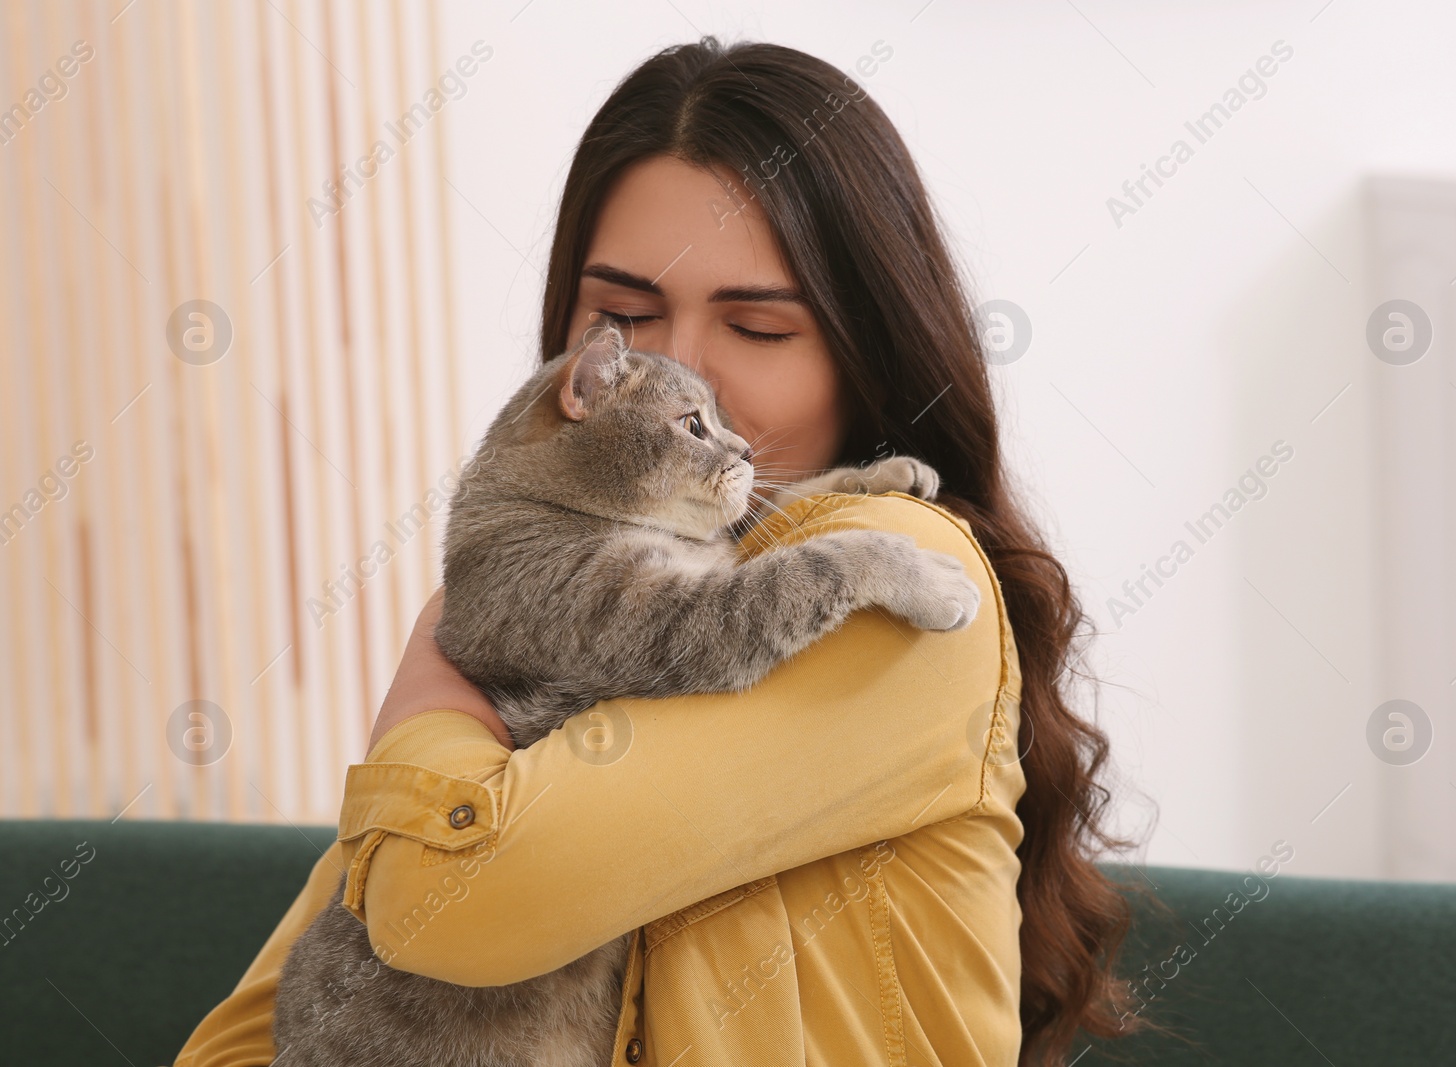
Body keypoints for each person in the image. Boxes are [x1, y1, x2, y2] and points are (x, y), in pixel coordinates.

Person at [174, 36, 1149, 1067]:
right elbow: (241, 1042)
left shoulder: (895, 579)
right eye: (628, 317)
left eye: (759, 328)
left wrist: (431, 682)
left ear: (870, 353)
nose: (681, 373)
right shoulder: (568, 581)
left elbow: (440, 903)